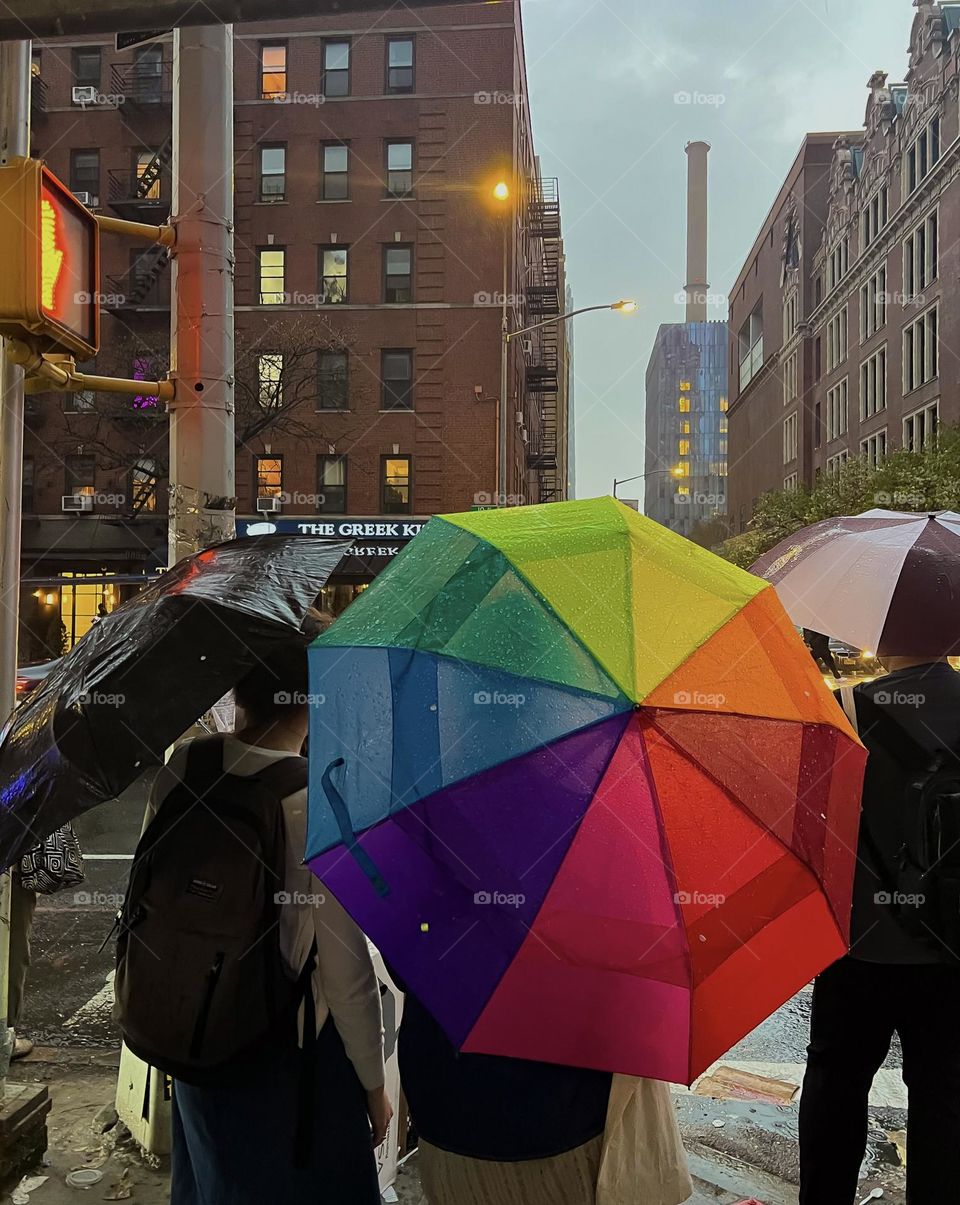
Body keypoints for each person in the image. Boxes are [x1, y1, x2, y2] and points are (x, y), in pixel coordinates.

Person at [144, 622, 390, 1205]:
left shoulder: (181, 769)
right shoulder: (311, 800)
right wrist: (374, 1084)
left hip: (197, 1038)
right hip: (291, 1064)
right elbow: (345, 974)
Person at [799, 654, 960, 1205]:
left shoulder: (845, 710)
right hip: (952, 949)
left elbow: (807, 822)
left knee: (835, 1086)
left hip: (857, 942)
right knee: (944, 1100)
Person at [398, 987, 691, 1204]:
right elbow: (649, 1006)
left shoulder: (417, 903)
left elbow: (400, 963)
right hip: (561, 1126)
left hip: (445, 1110)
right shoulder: (609, 905)